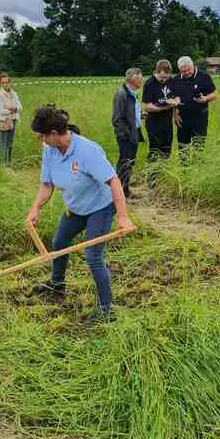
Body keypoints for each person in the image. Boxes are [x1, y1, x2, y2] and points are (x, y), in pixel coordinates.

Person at [27, 106, 134, 325]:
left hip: (100, 208)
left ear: (54, 133)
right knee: (59, 242)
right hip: (76, 208)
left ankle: (105, 309)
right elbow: (47, 185)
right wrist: (35, 207)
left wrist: (122, 216)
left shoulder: (87, 151)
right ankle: (57, 284)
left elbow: (114, 181)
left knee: (93, 256)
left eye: (42, 135)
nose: (40, 139)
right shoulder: (50, 151)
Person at [171, 56, 218, 161]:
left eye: (189, 70)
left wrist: (205, 98)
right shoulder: (176, 80)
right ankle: (184, 171)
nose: (187, 73)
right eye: (183, 71)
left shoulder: (204, 77)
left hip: (199, 118)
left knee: (199, 147)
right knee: (183, 147)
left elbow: (215, 94)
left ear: (193, 66)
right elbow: (174, 98)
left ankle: (198, 170)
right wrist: (175, 114)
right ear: (179, 70)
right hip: (182, 119)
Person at [142, 59, 179, 186]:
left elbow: (176, 97)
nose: (164, 80)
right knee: (154, 150)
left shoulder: (172, 81)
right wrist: (163, 107)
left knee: (166, 149)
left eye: (166, 77)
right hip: (153, 122)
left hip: (167, 121)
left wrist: (175, 109)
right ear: (157, 72)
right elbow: (147, 106)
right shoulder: (150, 83)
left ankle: (162, 175)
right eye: (161, 77)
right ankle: (151, 178)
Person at [111, 68, 144, 200]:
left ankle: (124, 190)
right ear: (133, 79)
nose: (142, 80)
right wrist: (125, 134)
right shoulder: (122, 94)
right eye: (140, 78)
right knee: (125, 163)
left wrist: (141, 115)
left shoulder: (133, 93)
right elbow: (117, 118)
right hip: (127, 135)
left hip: (134, 132)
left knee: (129, 162)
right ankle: (121, 193)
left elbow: (129, 113)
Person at [0, 74, 22, 166]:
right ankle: (3, 164)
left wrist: (12, 108)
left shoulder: (14, 94)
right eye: (3, 83)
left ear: (10, 83)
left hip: (13, 120)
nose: (5, 84)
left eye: (7, 82)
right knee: (3, 143)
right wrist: (11, 110)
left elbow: (20, 107)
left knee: (10, 143)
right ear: (0, 84)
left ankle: (9, 163)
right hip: (3, 121)